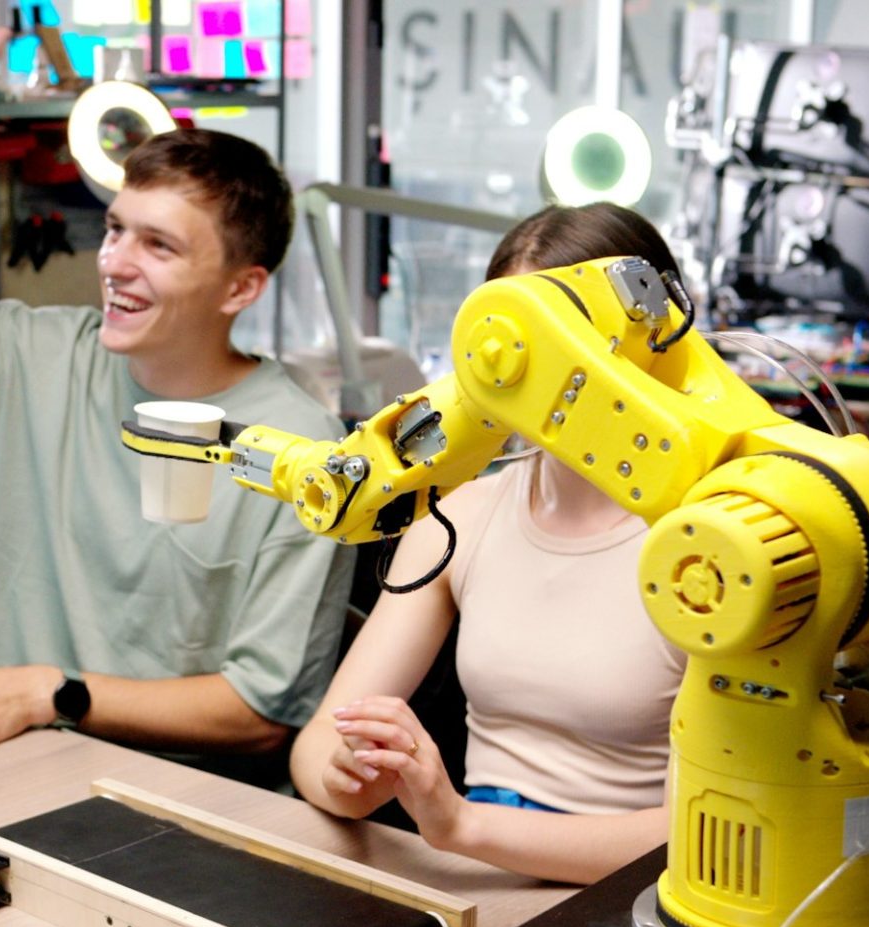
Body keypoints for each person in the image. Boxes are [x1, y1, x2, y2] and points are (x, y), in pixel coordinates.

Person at [0, 0, 352, 769]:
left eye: (159, 245)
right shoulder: (39, 357)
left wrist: (53, 692)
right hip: (9, 780)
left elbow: (261, 712)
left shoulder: (303, 456)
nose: (114, 262)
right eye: (116, 229)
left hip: (176, 819)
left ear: (239, 290)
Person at [288, 203, 690, 885]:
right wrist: (351, 777)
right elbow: (317, 745)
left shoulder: (713, 550)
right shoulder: (466, 514)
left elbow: (696, 842)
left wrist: (461, 824)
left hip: (625, 904)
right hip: (474, 879)